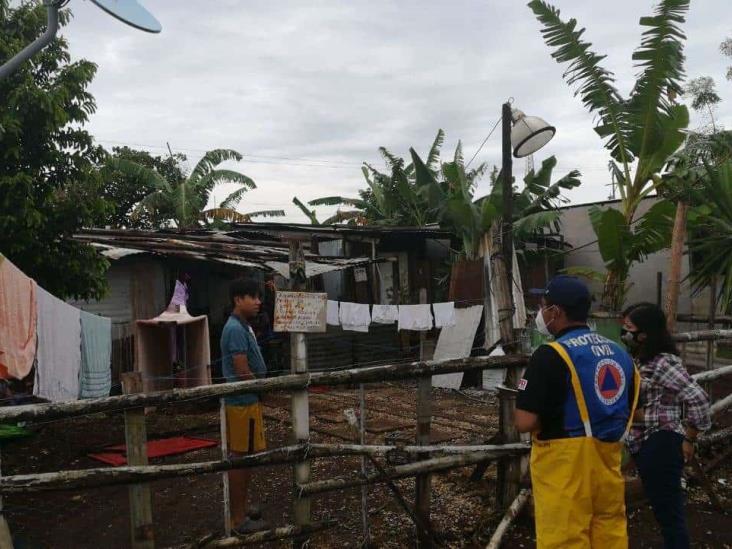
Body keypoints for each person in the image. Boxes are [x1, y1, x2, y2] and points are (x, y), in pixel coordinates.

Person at [515, 275, 639, 549]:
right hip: (608, 462)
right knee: (609, 533)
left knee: (565, 539)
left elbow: (524, 421)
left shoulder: (550, 355)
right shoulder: (619, 353)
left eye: (543, 306)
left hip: (564, 468)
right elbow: (633, 410)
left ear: (555, 311)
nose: (541, 313)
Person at [622, 303, 711, 549]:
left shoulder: (663, 363)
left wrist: (690, 438)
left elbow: (699, 398)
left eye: (629, 328)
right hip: (646, 443)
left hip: (660, 442)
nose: (625, 334)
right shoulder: (641, 359)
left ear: (646, 332)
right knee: (664, 513)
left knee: (670, 516)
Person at [221, 278, 268, 534]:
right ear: (238, 299)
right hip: (241, 403)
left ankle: (242, 508)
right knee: (240, 459)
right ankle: (238, 519)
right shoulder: (236, 329)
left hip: (247, 401)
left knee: (247, 457)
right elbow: (241, 369)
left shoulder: (242, 325)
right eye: (253, 296)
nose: (258, 302)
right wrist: (262, 388)